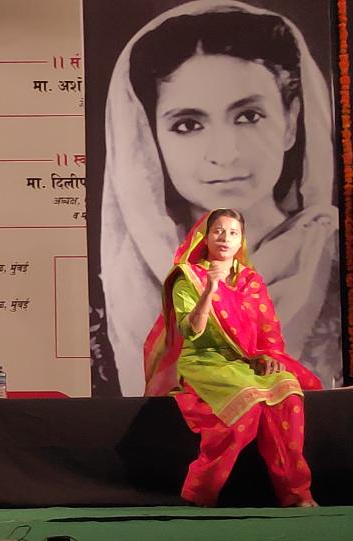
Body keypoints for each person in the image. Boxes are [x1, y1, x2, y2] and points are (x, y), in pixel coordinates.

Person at [99, 0, 339, 396]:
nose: (225, 153)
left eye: (248, 116)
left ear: (291, 120)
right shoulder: (132, 279)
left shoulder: (332, 257)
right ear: (150, 141)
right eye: (188, 124)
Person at [143, 208, 321, 507]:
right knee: (246, 410)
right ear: (206, 237)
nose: (225, 238)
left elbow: (267, 330)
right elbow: (191, 331)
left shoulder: (250, 280)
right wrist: (209, 290)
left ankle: (296, 494)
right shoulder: (189, 277)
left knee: (288, 394)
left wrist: (268, 356)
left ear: (241, 241)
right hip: (204, 361)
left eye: (233, 233)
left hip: (246, 362)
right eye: (218, 231)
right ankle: (201, 492)